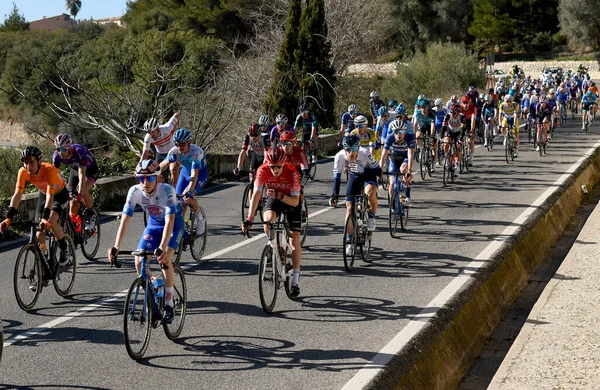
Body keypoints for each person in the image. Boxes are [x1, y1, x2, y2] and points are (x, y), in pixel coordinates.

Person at [108, 159, 182, 324]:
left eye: (149, 178)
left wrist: (163, 247)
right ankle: (154, 288)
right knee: (139, 262)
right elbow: (125, 219)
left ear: (158, 178)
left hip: (174, 226)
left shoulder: (167, 191)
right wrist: (116, 246)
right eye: (141, 178)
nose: (144, 182)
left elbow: (170, 221)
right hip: (154, 226)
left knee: (165, 259)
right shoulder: (134, 191)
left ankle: (169, 304)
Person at [242, 147, 303, 297]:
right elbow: (256, 194)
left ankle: (295, 281)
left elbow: (295, 202)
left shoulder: (292, 172)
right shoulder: (262, 170)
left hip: (289, 199)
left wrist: (281, 196)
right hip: (274, 198)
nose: (275, 170)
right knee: (268, 221)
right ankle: (276, 249)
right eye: (272, 167)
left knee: (294, 239)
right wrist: (249, 218)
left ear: (283, 163)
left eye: (278, 167)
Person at [1, 146, 70, 266]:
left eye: (31, 162)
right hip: (44, 194)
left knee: (51, 221)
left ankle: (64, 248)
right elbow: (17, 194)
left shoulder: (49, 170)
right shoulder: (23, 172)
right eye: (25, 163)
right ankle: (45, 259)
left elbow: (51, 196)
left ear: (39, 161)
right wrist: (8, 217)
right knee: (39, 233)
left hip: (59, 195)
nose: (28, 166)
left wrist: (45, 217)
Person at [329, 135, 381, 256]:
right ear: (344, 149)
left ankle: (372, 216)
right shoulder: (339, 156)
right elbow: (336, 178)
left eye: (353, 149)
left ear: (358, 148)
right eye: (348, 150)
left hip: (368, 175)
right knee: (349, 208)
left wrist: (363, 170)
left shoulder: (365, 153)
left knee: (369, 194)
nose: (351, 153)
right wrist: (334, 195)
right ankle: (349, 242)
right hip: (354, 177)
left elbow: (378, 171)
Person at [160, 128, 207, 236]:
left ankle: (200, 217)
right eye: (177, 144)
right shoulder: (175, 151)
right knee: (178, 201)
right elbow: (161, 167)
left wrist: (190, 190)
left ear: (189, 143)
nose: (179, 148)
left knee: (188, 198)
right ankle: (182, 226)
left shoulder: (196, 152)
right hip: (185, 172)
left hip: (199, 175)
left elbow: (194, 174)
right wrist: (148, 172)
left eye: (182, 145)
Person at [52, 134, 99, 233]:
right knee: (72, 198)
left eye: (63, 150)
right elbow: (53, 174)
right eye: (58, 149)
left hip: (90, 171)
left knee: (82, 191)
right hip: (75, 171)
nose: (60, 152)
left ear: (69, 148)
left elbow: (82, 175)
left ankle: (91, 214)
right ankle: (73, 224)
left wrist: (80, 194)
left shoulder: (79, 151)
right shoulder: (57, 155)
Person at [378, 119, 415, 202]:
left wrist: (409, 170)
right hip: (395, 157)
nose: (399, 134)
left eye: (401, 132)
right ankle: (393, 204)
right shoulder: (390, 137)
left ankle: (407, 194)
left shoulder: (409, 137)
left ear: (405, 132)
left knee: (403, 170)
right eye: (396, 132)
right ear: (393, 132)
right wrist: (380, 169)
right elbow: (384, 155)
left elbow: (410, 154)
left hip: (406, 157)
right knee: (391, 184)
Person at [140, 113, 180, 181]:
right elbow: (144, 153)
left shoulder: (167, 127)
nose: (150, 135)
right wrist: (140, 167)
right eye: (148, 132)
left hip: (173, 153)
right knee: (156, 175)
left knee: (173, 171)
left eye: (152, 132)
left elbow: (177, 114)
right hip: (160, 155)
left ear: (157, 129)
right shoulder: (148, 138)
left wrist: (175, 130)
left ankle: (175, 190)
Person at [441, 103, 467, 175]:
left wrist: (460, 140)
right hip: (451, 131)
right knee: (446, 143)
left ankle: (456, 165)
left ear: (458, 112)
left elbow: (463, 129)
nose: (452, 114)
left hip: (459, 132)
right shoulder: (448, 115)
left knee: (458, 148)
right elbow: (443, 127)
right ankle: (446, 158)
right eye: (452, 112)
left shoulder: (462, 117)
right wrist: (441, 138)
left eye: (454, 113)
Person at [461, 96, 478, 165]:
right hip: (462, 122)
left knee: (470, 140)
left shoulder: (473, 107)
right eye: (464, 103)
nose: (465, 105)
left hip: (470, 122)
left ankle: (471, 158)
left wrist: (471, 130)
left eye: (467, 103)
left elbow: (473, 119)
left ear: (469, 102)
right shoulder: (460, 107)